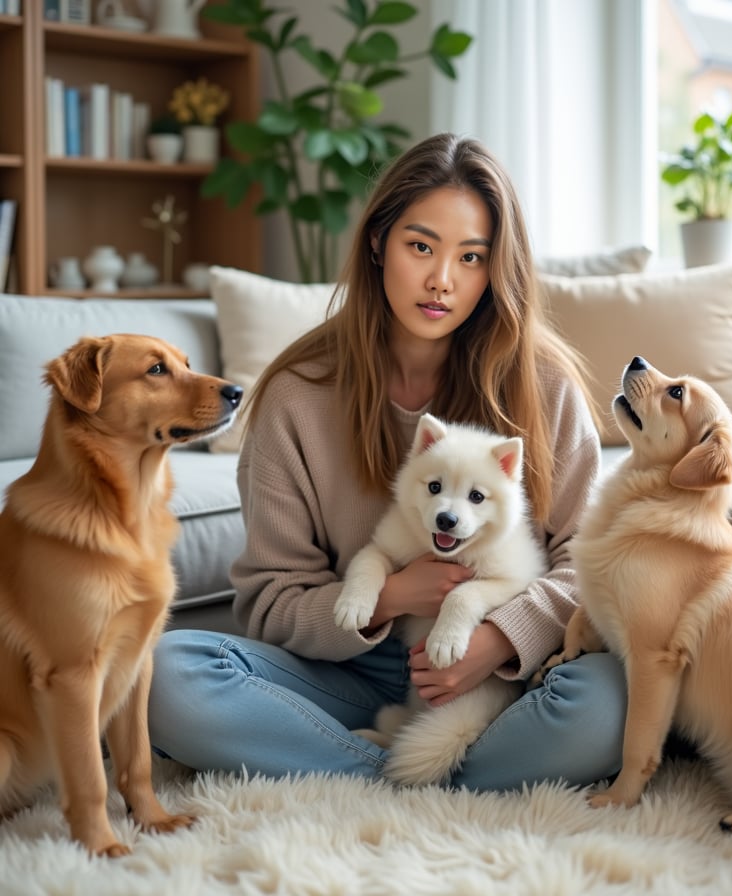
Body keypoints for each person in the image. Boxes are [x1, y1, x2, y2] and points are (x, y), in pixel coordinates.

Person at [148, 132, 626, 791]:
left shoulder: (544, 386)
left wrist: (501, 639)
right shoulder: (297, 395)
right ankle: (405, 774)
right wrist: (390, 596)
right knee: (165, 677)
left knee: (605, 699)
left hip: (502, 675)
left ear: (495, 269)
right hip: (356, 673)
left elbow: (590, 566)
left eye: (471, 257)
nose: (441, 280)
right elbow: (268, 600)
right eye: (420, 246)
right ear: (378, 243)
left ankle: (382, 766)